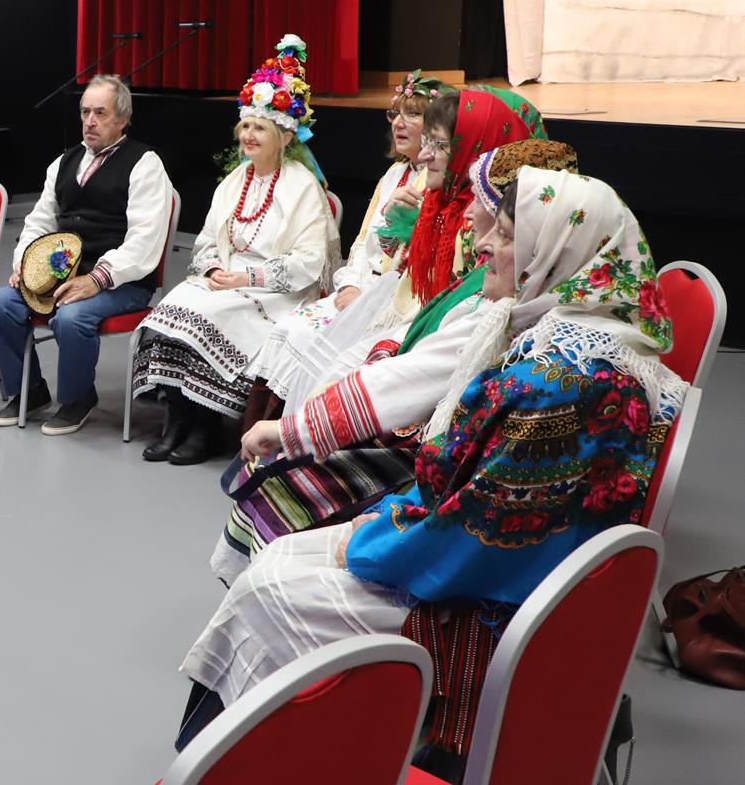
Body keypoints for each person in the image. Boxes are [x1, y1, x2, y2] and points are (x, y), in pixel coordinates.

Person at [175, 169, 684, 772]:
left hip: (490, 607)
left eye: (506, 232)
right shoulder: (567, 337)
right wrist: (384, 520)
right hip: (486, 561)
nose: (483, 241)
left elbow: (476, 537)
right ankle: (248, 753)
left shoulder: (559, 385)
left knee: (272, 587)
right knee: (279, 558)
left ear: (556, 252)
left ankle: (250, 759)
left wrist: (367, 540)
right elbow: (474, 487)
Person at [214, 139, 582, 584]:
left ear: (547, 245)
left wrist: (298, 433)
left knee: (286, 485)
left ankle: (270, 582)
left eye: (501, 229)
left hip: (451, 502)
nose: (476, 228)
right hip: (435, 435)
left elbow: (430, 385)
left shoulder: (529, 340)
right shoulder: (521, 302)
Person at [133, 35, 337, 464]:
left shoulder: (302, 187)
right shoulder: (234, 181)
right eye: (245, 126)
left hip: (275, 291)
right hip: (226, 279)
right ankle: (178, 419)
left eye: (259, 127)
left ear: (284, 136)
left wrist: (247, 277)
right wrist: (212, 271)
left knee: (210, 314)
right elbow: (206, 240)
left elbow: (309, 262)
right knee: (174, 307)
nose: (248, 135)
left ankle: (205, 427)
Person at [238, 70, 450, 421]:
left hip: (392, 300)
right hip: (361, 289)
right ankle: (257, 432)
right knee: (288, 327)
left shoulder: (435, 184)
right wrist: (350, 283)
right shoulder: (394, 175)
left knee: (307, 336)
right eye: (395, 113)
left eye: (413, 114)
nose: (398, 123)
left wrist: (364, 296)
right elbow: (362, 243)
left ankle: (290, 433)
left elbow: (403, 259)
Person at [0, 74, 173, 436]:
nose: (90, 121)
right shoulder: (63, 162)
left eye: (101, 113)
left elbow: (145, 239)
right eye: (85, 112)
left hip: (123, 282)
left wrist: (96, 279)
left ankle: (78, 398)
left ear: (123, 119)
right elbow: (39, 221)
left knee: (71, 317)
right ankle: (29, 391)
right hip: (63, 274)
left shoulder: (145, 164)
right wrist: (24, 265)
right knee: (1, 303)